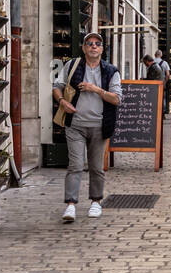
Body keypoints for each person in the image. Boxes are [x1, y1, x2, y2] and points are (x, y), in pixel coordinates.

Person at [52, 33, 122, 222]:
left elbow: (116, 99)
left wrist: (95, 89)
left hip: (99, 126)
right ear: (83, 48)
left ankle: (96, 202)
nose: (93, 46)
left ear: (102, 49)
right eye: (89, 43)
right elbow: (56, 86)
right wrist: (62, 102)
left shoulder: (111, 71)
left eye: (97, 44)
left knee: (96, 167)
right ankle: (70, 205)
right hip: (75, 125)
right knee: (75, 165)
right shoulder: (72, 66)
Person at [155, 49, 171, 114]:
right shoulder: (164, 63)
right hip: (162, 82)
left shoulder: (152, 62)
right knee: (163, 97)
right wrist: (165, 82)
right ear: (161, 55)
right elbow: (167, 74)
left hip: (153, 82)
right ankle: (163, 111)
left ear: (154, 55)